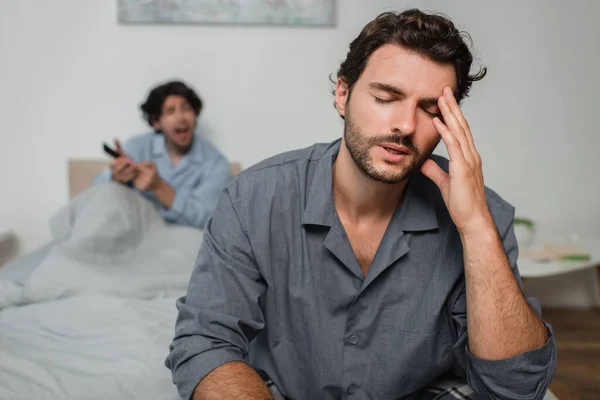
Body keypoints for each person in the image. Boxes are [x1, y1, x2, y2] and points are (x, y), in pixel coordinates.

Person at [166, 9, 556, 400]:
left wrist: (476, 229)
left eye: (430, 110)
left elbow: (516, 387)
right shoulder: (253, 198)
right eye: (386, 98)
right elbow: (205, 342)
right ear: (343, 94)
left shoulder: (481, 214)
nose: (405, 124)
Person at [94, 80, 231, 230]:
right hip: (133, 231)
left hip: (182, 240)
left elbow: (204, 219)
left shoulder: (216, 163)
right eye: (170, 111)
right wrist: (116, 178)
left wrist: (159, 187)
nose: (181, 117)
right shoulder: (136, 147)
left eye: (186, 109)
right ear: (156, 122)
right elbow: (95, 195)